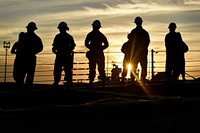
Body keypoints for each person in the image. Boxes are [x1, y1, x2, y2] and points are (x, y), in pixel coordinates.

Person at [11, 22, 43, 87]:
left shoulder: (33, 38)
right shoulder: (34, 38)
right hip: (25, 59)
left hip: (25, 59)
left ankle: (23, 87)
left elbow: (40, 48)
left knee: (25, 76)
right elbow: (17, 43)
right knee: (24, 76)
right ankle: (24, 87)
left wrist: (32, 52)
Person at [85, 20, 109, 88]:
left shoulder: (90, 34)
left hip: (94, 54)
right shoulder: (101, 35)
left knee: (92, 68)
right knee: (100, 69)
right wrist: (100, 48)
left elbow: (86, 43)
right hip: (99, 54)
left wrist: (92, 48)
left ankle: (91, 82)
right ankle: (103, 83)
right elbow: (106, 44)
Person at [52, 21, 76, 88]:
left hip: (62, 56)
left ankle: (59, 83)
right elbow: (73, 46)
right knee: (64, 70)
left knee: (62, 70)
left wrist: (56, 51)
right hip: (64, 56)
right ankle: (67, 83)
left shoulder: (59, 37)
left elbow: (54, 47)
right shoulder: (68, 37)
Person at [129, 16, 150, 82]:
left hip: (135, 53)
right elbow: (147, 42)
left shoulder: (133, 32)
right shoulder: (144, 32)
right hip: (142, 53)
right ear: (141, 23)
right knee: (143, 67)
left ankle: (133, 79)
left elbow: (131, 42)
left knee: (134, 67)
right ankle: (142, 79)